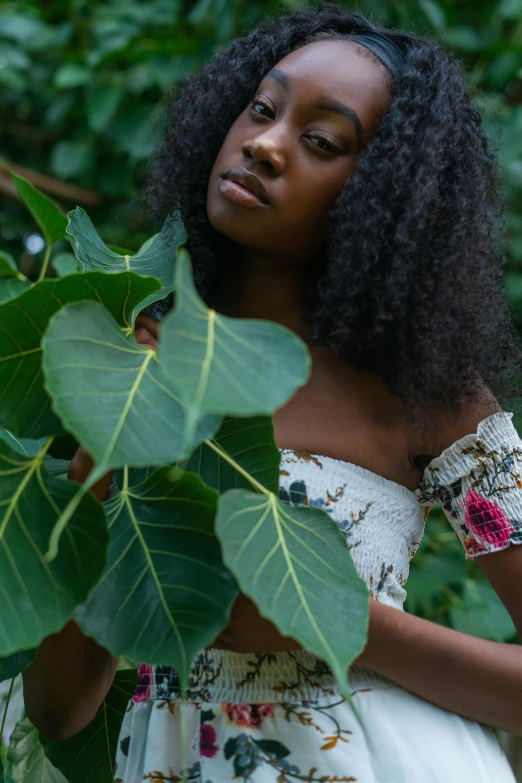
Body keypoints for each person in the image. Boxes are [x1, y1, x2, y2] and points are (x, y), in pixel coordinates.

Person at [22, 3, 522, 781]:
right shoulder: (127, 357)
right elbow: (61, 710)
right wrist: (102, 452)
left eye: (320, 141)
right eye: (261, 109)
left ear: (385, 200)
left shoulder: (427, 396)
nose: (263, 143)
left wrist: (334, 620)